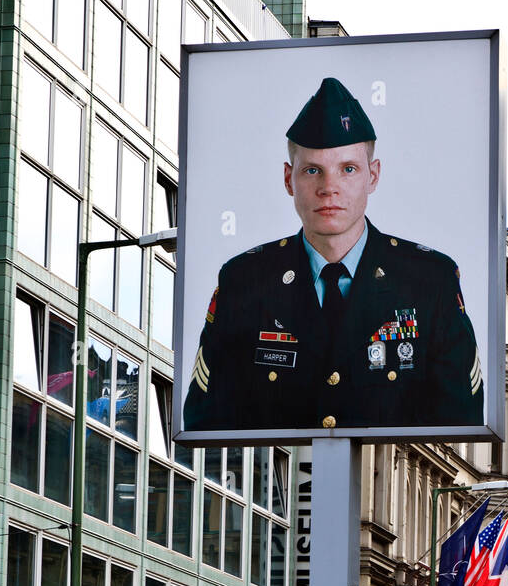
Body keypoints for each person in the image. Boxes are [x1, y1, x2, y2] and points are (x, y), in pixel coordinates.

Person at [183, 76, 484, 438]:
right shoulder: (244, 281)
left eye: (348, 169)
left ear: (372, 176)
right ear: (288, 179)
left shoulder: (429, 280)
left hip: (386, 491)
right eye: (313, 170)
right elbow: (207, 427)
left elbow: (459, 426)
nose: (329, 188)